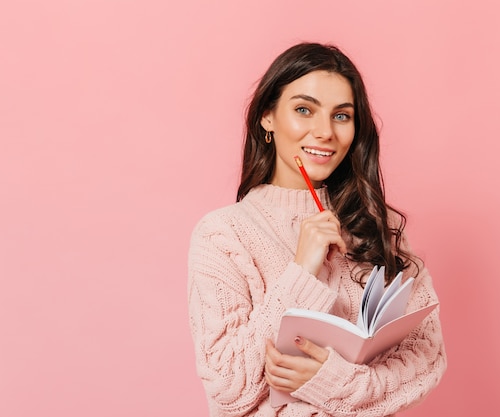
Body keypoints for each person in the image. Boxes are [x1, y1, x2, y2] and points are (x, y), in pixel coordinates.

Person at [188, 42, 446, 417]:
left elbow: (427, 359)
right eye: (304, 110)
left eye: (341, 116)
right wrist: (302, 272)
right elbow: (227, 389)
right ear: (267, 118)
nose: (324, 131)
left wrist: (333, 381)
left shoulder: (379, 225)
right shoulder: (223, 234)